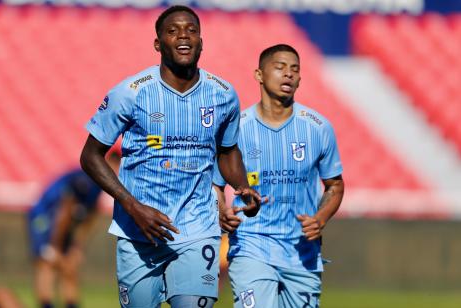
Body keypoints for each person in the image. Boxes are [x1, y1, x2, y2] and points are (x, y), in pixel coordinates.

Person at [80, 5, 260, 308]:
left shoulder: (223, 94)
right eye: (173, 30)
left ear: (201, 42)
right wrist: (132, 206)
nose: (183, 36)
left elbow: (227, 152)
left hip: (198, 229)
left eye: (191, 30)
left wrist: (243, 186)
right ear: (157, 43)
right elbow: (90, 156)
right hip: (138, 231)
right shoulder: (131, 93)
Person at [213, 44, 345, 308]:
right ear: (259, 74)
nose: (288, 75)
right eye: (280, 67)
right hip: (252, 246)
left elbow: (335, 185)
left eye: (295, 70)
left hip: (302, 252)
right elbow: (215, 185)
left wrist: (320, 219)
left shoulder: (318, 128)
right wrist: (221, 211)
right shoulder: (236, 129)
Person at [27, 150, 119, 308]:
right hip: (44, 217)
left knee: (69, 264)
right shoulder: (86, 179)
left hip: (63, 222)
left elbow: (90, 215)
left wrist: (77, 246)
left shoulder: (99, 185)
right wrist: (55, 245)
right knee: (47, 263)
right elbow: (65, 210)